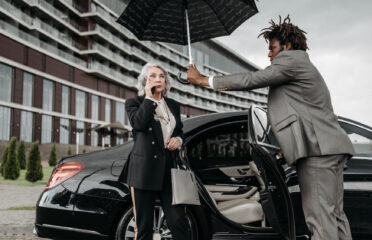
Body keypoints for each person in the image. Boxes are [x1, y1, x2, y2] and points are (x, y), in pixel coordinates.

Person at [187, 16, 355, 240]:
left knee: (320, 219)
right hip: (329, 147)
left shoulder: (291, 60)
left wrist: (205, 80)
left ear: (286, 46)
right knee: (334, 215)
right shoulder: (302, 65)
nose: (269, 54)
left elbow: (253, 79)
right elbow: (303, 114)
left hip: (317, 151)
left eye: (272, 48)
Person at [119, 62, 190, 240]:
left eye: (161, 76)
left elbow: (179, 130)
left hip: (169, 169)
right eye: (152, 76)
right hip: (144, 170)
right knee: (143, 228)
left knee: (178, 221)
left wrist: (179, 140)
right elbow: (138, 124)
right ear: (145, 81)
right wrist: (150, 98)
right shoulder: (134, 102)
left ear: (166, 82)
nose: (158, 79)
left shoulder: (173, 105)